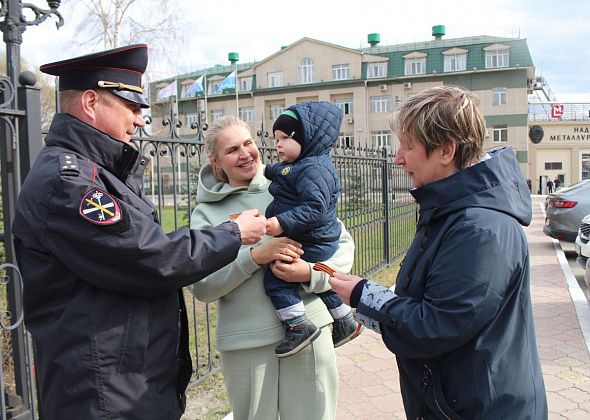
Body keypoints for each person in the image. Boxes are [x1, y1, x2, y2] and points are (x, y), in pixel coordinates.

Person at [12, 45, 266, 420]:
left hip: (121, 383)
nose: (140, 120)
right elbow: (150, 258)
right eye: (131, 106)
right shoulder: (71, 182)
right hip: (104, 393)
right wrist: (233, 232)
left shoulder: (95, 172)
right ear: (90, 101)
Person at [329, 86, 548, 419]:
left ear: (446, 151)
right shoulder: (450, 211)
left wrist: (362, 295)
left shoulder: (478, 229)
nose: (397, 158)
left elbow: (436, 325)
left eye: (408, 146)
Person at [189, 115, 355, 419]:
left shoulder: (293, 182)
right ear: (216, 162)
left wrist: (310, 273)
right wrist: (255, 257)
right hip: (247, 342)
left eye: (248, 143)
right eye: (232, 150)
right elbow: (202, 286)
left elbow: (341, 245)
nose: (245, 153)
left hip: (312, 329)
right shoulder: (206, 214)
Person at [263, 103, 362, 358]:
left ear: (306, 138)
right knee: (321, 282)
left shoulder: (314, 170)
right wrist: (266, 170)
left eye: (285, 138)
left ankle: (298, 326)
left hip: (313, 240)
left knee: (276, 278)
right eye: (276, 139)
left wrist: (281, 223)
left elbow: (315, 208)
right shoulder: (306, 163)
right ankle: (344, 321)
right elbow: (285, 172)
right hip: (316, 238)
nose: (278, 145)